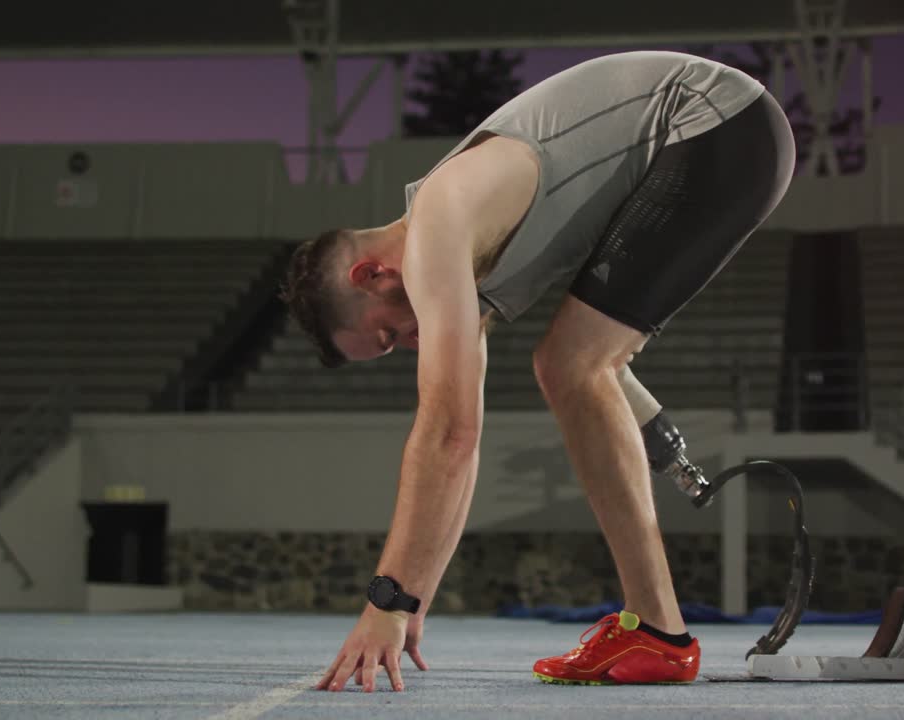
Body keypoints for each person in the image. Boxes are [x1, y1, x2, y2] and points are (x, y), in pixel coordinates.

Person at [280, 49, 795, 692]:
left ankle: (660, 634)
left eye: (388, 333)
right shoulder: (466, 260)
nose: (407, 343)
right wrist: (414, 598)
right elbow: (462, 451)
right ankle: (657, 630)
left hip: (716, 122)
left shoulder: (439, 224)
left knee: (574, 365)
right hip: (722, 134)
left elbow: (446, 434)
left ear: (371, 274)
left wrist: (384, 602)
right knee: (568, 364)